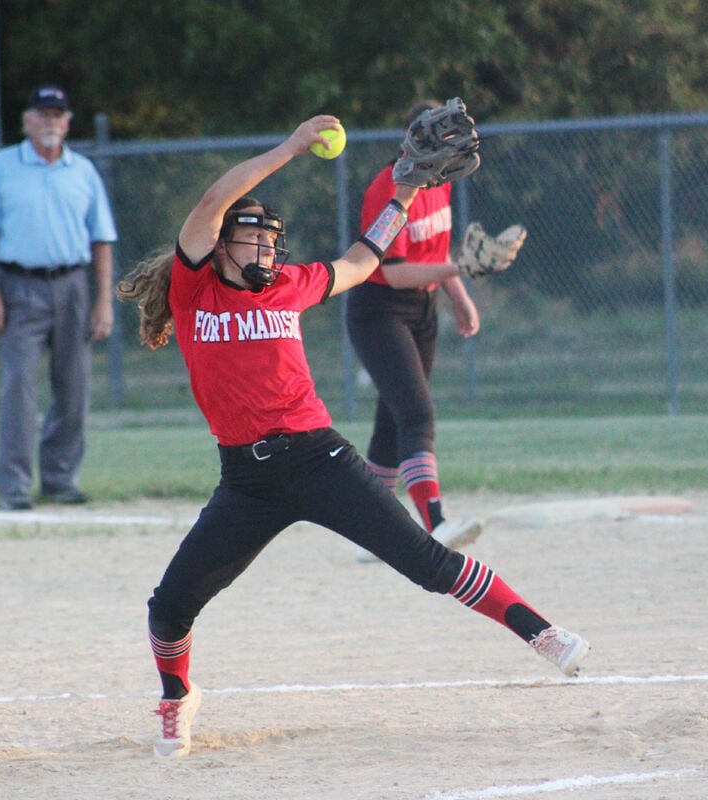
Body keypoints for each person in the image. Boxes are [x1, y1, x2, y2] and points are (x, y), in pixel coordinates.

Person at [116, 113, 589, 759]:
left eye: (270, 241)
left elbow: (363, 260)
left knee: (429, 564)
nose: (266, 251)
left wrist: (402, 195)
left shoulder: (289, 284)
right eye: (252, 239)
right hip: (247, 482)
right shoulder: (198, 293)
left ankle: (542, 632)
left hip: (320, 459)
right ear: (218, 244)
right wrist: (289, 145)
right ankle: (177, 699)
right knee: (169, 608)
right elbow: (211, 199)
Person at [0, 84, 117, 510]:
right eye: (42, 114)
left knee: (74, 387)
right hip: (17, 286)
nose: (50, 122)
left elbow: (102, 240)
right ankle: (14, 486)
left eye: (58, 115)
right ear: (26, 120)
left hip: (71, 284)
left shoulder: (82, 171)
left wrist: (102, 300)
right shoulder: (1, 166)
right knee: (19, 386)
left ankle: (60, 478)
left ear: (67, 123)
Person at [346, 101, 484, 562]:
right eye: (440, 138)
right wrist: (462, 266)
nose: (452, 147)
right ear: (414, 140)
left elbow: (435, 252)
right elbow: (396, 271)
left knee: (393, 424)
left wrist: (459, 295)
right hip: (380, 308)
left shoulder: (438, 187)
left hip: (421, 308)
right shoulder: (389, 187)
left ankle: (371, 531)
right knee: (417, 414)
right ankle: (437, 524)